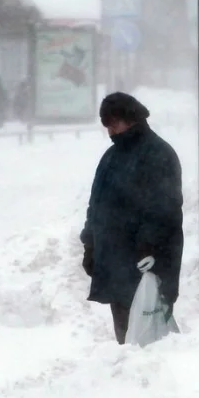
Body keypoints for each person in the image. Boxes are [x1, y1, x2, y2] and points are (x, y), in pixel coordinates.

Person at [80, 92, 184, 345]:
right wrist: (90, 244)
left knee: (149, 325)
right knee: (125, 327)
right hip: (116, 259)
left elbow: (164, 206)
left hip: (145, 260)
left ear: (132, 118)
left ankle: (154, 378)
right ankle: (132, 373)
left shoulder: (158, 154)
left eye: (114, 122)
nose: (110, 130)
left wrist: (148, 245)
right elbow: (96, 204)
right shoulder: (111, 157)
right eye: (106, 125)